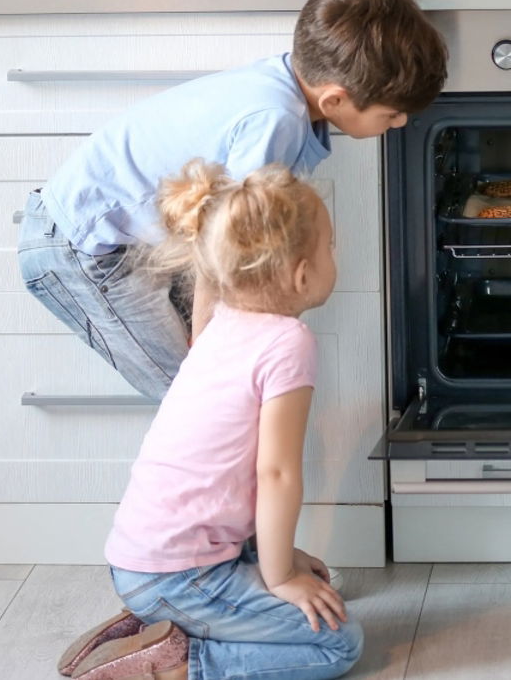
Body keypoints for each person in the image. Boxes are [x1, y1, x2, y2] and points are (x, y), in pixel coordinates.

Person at [17, 0, 447, 400]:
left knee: (226, 389)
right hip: (85, 249)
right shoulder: (273, 121)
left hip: (128, 243)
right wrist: (206, 345)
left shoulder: (287, 89)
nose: (401, 123)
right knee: (202, 401)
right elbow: (221, 250)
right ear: (334, 99)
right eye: (391, 114)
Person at [56, 160, 360, 680]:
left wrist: (277, 559)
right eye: (330, 247)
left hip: (145, 559)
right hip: (179, 574)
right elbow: (277, 474)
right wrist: (279, 573)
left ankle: (155, 628)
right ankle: (175, 665)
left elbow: (234, 479)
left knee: (317, 581)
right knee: (337, 644)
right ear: (301, 273)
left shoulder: (221, 324)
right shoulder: (288, 343)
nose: (335, 256)